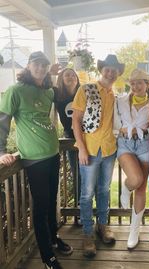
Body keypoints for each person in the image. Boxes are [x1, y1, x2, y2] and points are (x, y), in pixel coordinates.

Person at [0, 51, 73, 269]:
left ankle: (53, 238)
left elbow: (67, 96)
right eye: (36, 64)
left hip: (52, 153)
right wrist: (1, 150)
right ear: (29, 66)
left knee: (51, 202)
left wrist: (61, 76)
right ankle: (47, 256)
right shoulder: (15, 91)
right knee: (40, 207)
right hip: (33, 159)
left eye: (44, 65)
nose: (40, 68)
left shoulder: (48, 91)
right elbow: (3, 122)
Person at [72, 54, 125, 257]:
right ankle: (87, 233)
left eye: (114, 70)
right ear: (101, 70)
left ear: (118, 73)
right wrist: (82, 148)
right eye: (107, 69)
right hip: (90, 150)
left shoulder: (116, 95)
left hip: (109, 150)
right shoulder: (86, 89)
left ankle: (102, 226)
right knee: (86, 194)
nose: (110, 73)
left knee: (104, 190)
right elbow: (76, 121)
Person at [117, 69, 149, 249]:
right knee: (135, 180)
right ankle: (125, 187)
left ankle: (134, 231)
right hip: (125, 144)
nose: (136, 86)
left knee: (141, 189)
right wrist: (119, 129)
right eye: (132, 83)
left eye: (140, 82)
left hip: (144, 144)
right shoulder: (122, 101)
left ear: (147, 85)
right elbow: (112, 120)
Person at [53, 68, 82, 225]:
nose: (71, 77)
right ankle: (78, 214)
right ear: (61, 79)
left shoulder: (83, 94)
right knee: (77, 177)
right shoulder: (57, 95)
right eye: (67, 75)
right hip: (71, 142)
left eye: (73, 74)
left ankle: (87, 213)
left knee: (89, 178)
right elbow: (43, 89)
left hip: (86, 140)